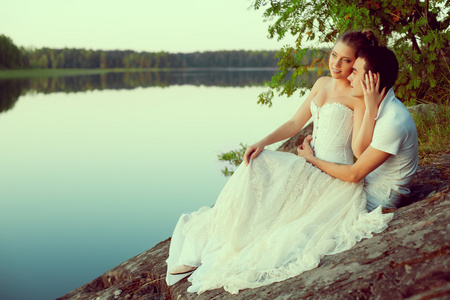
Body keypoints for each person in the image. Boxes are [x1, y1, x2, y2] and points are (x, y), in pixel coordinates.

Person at [165, 31, 393, 295]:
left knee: (279, 223)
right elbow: (296, 123)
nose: (336, 65)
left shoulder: (357, 95)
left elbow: (358, 149)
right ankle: (213, 240)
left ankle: (217, 248)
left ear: (355, 64)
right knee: (257, 162)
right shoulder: (321, 84)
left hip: (331, 176)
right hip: (310, 163)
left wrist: (371, 104)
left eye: (345, 61)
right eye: (333, 55)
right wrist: (263, 142)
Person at [297, 46, 418, 211]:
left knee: (315, 213)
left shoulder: (393, 121)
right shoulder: (377, 107)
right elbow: (360, 151)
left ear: (372, 79)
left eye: (354, 72)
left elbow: (354, 174)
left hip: (379, 196)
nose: (349, 77)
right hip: (367, 182)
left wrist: (312, 160)